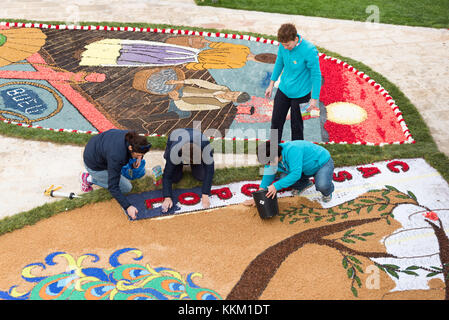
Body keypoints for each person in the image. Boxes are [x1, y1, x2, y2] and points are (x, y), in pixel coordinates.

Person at [265, 23, 322, 143]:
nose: (285, 47)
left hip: (301, 95)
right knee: (275, 123)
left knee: (296, 128)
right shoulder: (283, 45)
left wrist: (314, 98)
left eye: (287, 45)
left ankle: (296, 157)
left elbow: (316, 75)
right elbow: (279, 63)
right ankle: (273, 157)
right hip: (284, 90)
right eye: (283, 45)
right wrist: (271, 84)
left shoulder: (310, 50)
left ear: (295, 39)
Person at [80, 129, 152, 220]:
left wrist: (139, 159)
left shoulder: (131, 137)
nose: (139, 157)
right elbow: (113, 187)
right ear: (130, 148)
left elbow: (140, 150)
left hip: (98, 150)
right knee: (126, 187)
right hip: (94, 165)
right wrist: (128, 207)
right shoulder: (117, 156)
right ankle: (89, 178)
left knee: (121, 172)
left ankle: (95, 176)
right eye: (138, 155)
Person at [245, 140, 334, 205]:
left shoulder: (293, 150)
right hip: (304, 168)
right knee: (284, 179)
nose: (268, 164)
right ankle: (305, 184)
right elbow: (268, 176)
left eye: (268, 162)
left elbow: (295, 174)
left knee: (322, 185)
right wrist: (258, 196)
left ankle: (327, 191)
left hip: (321, 164)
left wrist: (275, 186)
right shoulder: (272, 156)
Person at [161, 128, 214, 213]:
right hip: (175, 136)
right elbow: (167, 176)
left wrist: (205, 194)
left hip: (196, 138)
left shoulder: (206, 147)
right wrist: (167, 197)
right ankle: (178, 165)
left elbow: (210, 171)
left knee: (201, 176)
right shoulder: (174, 151)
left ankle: (194, 164)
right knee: (175, 178)